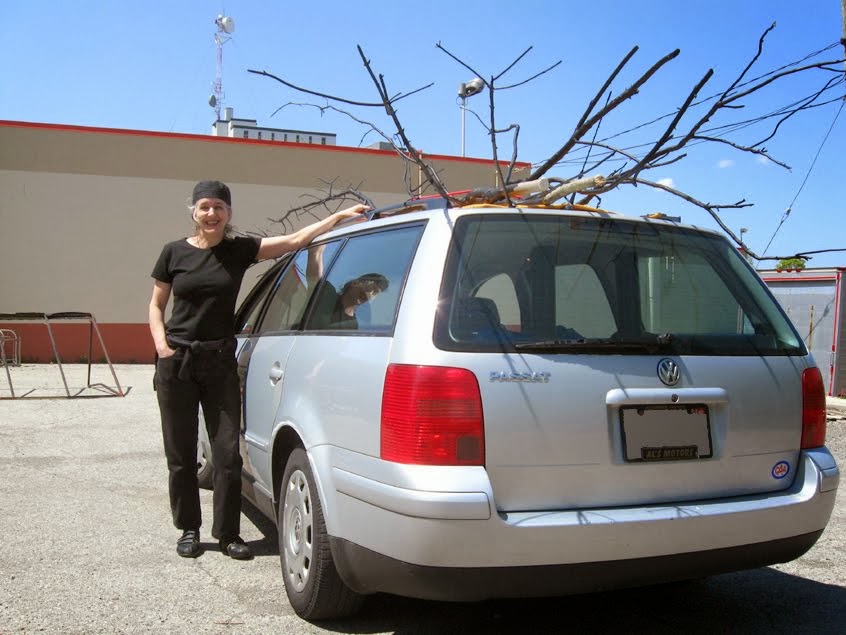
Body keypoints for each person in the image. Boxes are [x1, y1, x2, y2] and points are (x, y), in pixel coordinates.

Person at [148, 180, 368, 559]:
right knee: (181, 454)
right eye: (204, 207)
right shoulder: (174, 253)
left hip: (218, 363)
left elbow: (296, 240)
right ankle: (189, 528)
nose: (211, 214)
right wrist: (162, 347)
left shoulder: (239, 250)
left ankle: (228, 534)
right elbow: (156, 305)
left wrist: (337, 217)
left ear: (229, 213)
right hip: (178, 363)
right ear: (194, 212)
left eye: (219, 207)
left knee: (227, 453)